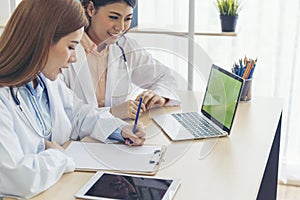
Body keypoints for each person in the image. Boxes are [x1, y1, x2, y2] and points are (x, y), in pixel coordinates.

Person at [0, 0, 145, 198]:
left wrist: (119, 129)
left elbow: (78, 115)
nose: (74, 58)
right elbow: (17, 179)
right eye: (71, 47)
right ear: (43, 40)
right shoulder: (3, 99)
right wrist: (59, 156)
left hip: (55, 190)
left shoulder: (43, 81)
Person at [61, 0, 181, 120]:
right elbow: (62, 114)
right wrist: (113, 112)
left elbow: (167, 77)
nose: (121, 27)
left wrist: (158, 95)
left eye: (128, 19)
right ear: (91, 9)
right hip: (77, 138)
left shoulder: (124, 46)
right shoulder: (63, 50)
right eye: (113, 17)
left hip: (120, 134)